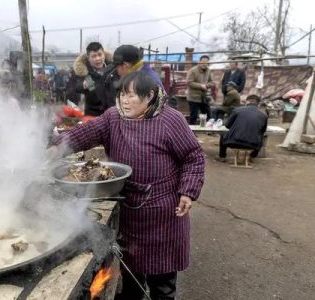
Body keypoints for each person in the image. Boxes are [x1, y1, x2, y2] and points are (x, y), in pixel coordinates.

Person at [48, 71, 205, 299]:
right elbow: (86, 133)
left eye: (131, 95)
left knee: (162, 284)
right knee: (131, 277)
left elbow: (194, 157)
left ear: (150, 95)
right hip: (130, 211)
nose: (124, 100)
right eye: (122, 94)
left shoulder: (170, 120)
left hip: (164, 215)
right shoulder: (114, 118)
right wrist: (58, 147)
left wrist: (188, 192)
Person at [216, 94, 268, 162]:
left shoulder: (237, 110)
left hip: (233, 142)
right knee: (261, 136)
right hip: (253, 145)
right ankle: (252, 157)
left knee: (223, 134)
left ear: (247, 101)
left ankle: (222, 156)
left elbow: (227, 125)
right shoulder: (264, 115)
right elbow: (263, 131)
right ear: (258, 104)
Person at [73, 42, 116, 116]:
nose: (98, 58)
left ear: (104, 55)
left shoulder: (113, 68)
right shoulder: (85, 72)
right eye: (94, 56)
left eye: (100, 54)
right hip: (93, 117)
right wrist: (83, 85)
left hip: (113, 114)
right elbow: (77, 87)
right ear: (88, 58)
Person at [187, 55, 214, 125]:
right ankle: (191, 132)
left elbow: (211, 82)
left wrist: (207, 85)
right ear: (199, 62)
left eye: (206, 63)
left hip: (204, 97)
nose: (205, 64)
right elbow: (189, 82)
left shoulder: (208, 70)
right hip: (193, 97)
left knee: (208, 114)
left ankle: (208, 130)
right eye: (203, 62)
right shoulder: (193, 70)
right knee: (194, 116)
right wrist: (200, 86)